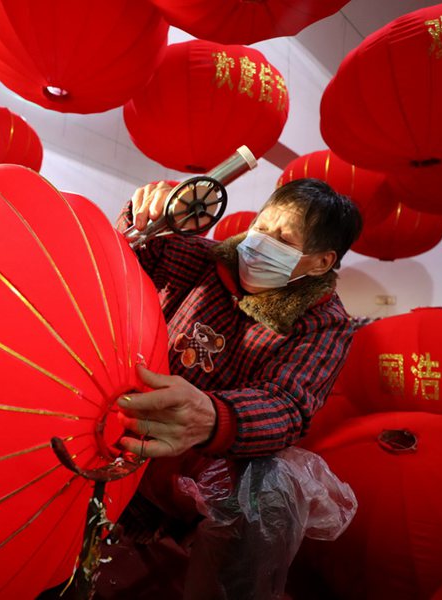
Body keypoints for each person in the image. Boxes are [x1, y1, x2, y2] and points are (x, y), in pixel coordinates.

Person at [99, 177, 363, 598]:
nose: (259, 241)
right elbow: (128, 254)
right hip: (122, 414)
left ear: (319, 262)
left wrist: (211, 417)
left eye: (282, 237)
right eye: (262, 224)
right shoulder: (203, 258)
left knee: (273, 486)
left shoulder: (323, 322)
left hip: (200, 458)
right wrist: (147, 214)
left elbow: (288, 405)